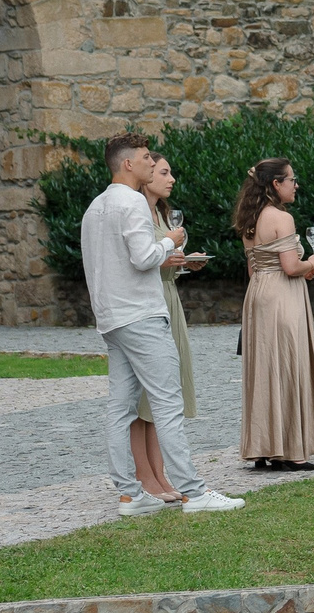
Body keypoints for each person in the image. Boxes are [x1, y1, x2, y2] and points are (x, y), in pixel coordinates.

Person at [81, 135, 239, 517]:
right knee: (167, 404)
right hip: (141, 315)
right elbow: (143, 257)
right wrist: (169, 242)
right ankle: (193, 492)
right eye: (145, 158)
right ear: (127, 165)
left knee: (120, 408)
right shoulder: (131, 202)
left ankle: (130, 495)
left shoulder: (95, 207)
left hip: (111, 318)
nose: (152, 164)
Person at [232, 156, 314, 473]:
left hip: (259, 295)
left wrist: (298, 270)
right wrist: (313, 264)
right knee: (288, 366)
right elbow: (291, 267)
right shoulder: (281, 218)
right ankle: (290, 451)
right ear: (276, 184)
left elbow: (254, 267)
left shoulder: (250, 218)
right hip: (282, 298)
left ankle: (264, 446)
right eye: (291, 179)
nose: (296, 185)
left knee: (264, 369)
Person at [128, 153, 209, 499]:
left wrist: (184, 263)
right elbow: (139, 260)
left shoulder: (161, 212)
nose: (171, 178)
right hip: (146, 304)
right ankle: (144, 477)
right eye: (163, 171)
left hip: (168, 299)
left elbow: (163, 261)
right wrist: (169, 255)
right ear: (145, 175)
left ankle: (161, 476)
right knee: (142, 398)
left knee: (163, 394)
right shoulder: (135, 211)